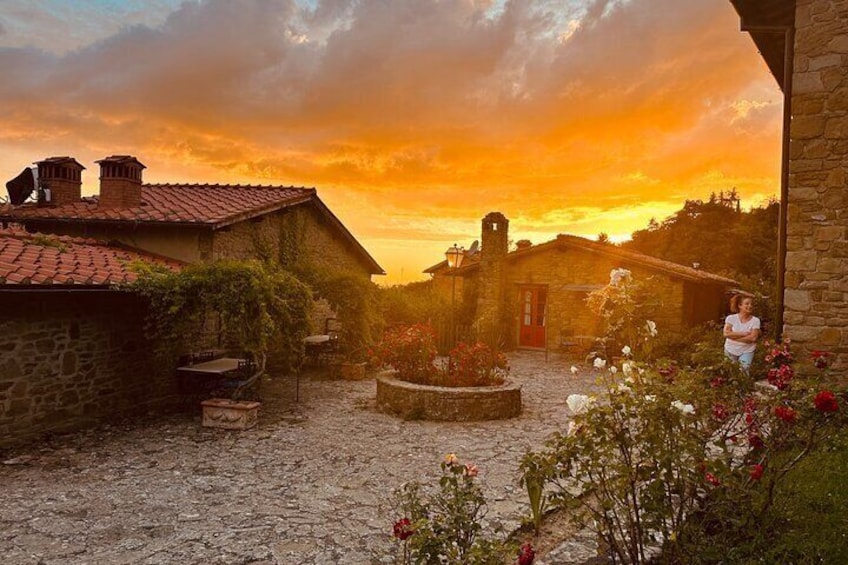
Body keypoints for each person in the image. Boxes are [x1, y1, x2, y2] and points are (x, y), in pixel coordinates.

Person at [723, 294, 760, 372]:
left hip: (747, 350)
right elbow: (726, 334)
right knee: (730, 373)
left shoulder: (755, 320)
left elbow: (753, 338)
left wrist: (733, 336)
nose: (750, 306)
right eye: (747, 304)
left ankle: (745, 384)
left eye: (751, 304)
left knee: (744, 372)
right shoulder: (731, 318)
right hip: (730, 349)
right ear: (740, 305)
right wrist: (743, 334)